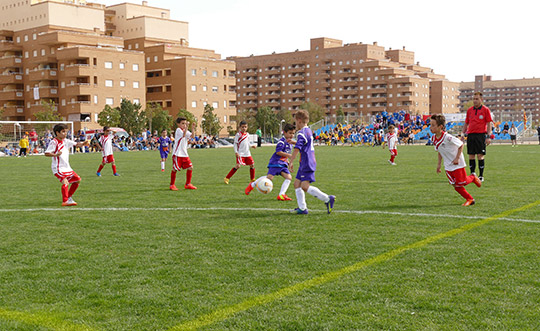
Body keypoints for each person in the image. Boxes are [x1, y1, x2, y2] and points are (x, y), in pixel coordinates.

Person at [288, 109, 335, 214]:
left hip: (307, 162)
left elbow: (298, 149)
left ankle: (327, 199)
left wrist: (291, 161)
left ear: (299, 120)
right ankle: (302, 208)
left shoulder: (301, 133)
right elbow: (305, 144)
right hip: (306, 162)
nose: (295, 124)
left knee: (304, 186)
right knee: (296, 184)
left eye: (295, 121)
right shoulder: (308, 130)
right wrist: (294, 142)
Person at [431, 114, 481, 206]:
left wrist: (457, 158)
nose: (431, 127)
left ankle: (473, 177)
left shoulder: (448, 137)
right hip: (448, 166)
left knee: (463, 182)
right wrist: (438, 165)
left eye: (433, 125)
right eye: (430, 125)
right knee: (455, 185)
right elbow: (439, 151)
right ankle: (470, 199)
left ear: (440, 127)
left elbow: (461, 145)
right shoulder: (433, 138)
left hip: (457, 164)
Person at [245, 123, 295, 201]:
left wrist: (288, 161)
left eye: (293, 133)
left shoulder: (290, 143)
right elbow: (278, 152)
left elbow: (285, 154)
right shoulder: (281, 142)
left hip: (283, 164)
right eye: (290, 133)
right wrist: (289, 155)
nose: (292, 135)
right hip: (276, 163)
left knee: (289, 178)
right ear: (284, 133)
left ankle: (281, 195)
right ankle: (252, 185)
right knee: (269, 178)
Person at [44, 123, 89, 206]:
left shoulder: (66, 141)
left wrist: (83, 144)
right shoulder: (54, 142)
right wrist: (55, 155)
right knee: (65, 182)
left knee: (78, 179)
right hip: (58, 168)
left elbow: (76, 144)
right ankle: (65, 201)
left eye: (66, 132)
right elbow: (46, 153)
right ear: (57, 133)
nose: (65, 133)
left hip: (67, 167)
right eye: (63, 131)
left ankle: (69, 197)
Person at [461, 92, 492, 182]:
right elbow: (466, 123)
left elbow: (489, 122)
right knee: (471, 155)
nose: (475, 100)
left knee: (480, 155)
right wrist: (463, 134)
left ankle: (481, 175)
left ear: (481, 100)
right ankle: (472, 174)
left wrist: (488, 136)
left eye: (477, 99)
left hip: (480, 135)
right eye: (474, 99)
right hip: (471, 135)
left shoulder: (485, 110)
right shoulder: (470, 110)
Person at [170, 117, 197, 190]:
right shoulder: (178, 130)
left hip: (184, 153)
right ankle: (172, 185)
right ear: (178, 124)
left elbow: (192, 136)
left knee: (190, 167)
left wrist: (193, 128)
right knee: (175, 169)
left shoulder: (185, 130)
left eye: (185, 123)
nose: (184, 125)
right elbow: (184, 135)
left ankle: (188, 184)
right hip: (177, 153)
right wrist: (187, 127)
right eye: (183, 123)